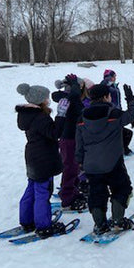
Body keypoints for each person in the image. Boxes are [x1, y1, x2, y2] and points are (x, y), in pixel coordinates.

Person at [75, 83, 134, 234]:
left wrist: (80, 161)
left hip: (91, 164)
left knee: (96, 193)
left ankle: (100, 224)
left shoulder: (81, 118)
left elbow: (79, 142)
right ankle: (117, 220)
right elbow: (133, 114)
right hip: (113, 162)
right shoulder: (113, 114)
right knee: (121, 188)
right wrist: (130, 98)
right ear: (105, 97)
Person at [15, 83, 68, 237]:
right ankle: (43, 225)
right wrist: (61, 115)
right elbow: (55, 132)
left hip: (33, 156)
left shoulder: (28, 115)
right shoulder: (40, 117)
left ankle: (26, 221)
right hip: (42, 157)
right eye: (46, 97)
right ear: (40, 100)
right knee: (42, 191)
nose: (48, 100)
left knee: (32, 187)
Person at [52, 74, 87, 211]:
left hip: (74, 137)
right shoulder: (70, 99)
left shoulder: (71, 98)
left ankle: (72, 191)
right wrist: (74, 86)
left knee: (75, 167)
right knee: (70, 167)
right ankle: (67, 197)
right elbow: (75, 102)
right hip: (69, 138)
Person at [101, 69, 134, 155]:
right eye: (114, 76)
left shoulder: (114, 86)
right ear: (110, 77)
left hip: (117, 112)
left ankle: (123, 148)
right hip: (111, 114)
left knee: (125, 133)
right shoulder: (106, 86)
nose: (115, 78)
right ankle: (121, 150)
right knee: (123, 133)